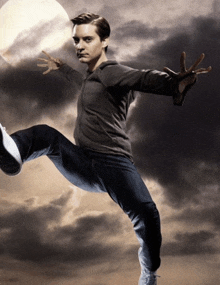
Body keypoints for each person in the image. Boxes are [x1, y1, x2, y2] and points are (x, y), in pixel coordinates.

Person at [0, 13, 211, 285]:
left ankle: (149, 274)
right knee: (46, 135)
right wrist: (62, 67)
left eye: (87, 39)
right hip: (84, 164)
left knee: (147, 215)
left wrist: (174, 83)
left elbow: (142, 78)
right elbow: (82, 83)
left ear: (105, 41)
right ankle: (13, 152)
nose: (79, 46)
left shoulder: (113, 72)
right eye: (76, 40)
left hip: (113, 163)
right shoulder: (92, 80)